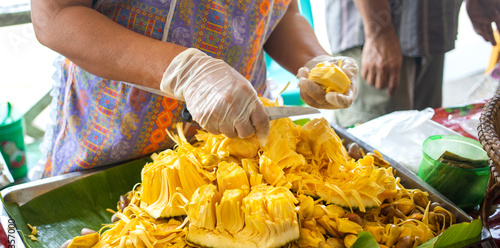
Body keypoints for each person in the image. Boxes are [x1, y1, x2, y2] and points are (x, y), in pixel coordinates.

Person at [31, 0, 358, 177]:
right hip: (111, 147)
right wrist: (185, 71)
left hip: (235, 147)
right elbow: (55, 15)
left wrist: (315, 61)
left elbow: (281, 12)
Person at [324, 0, 500, 127]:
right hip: (375, 28)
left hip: (432, 27)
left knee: (423, 139)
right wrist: (378, 32)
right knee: (371, 151)